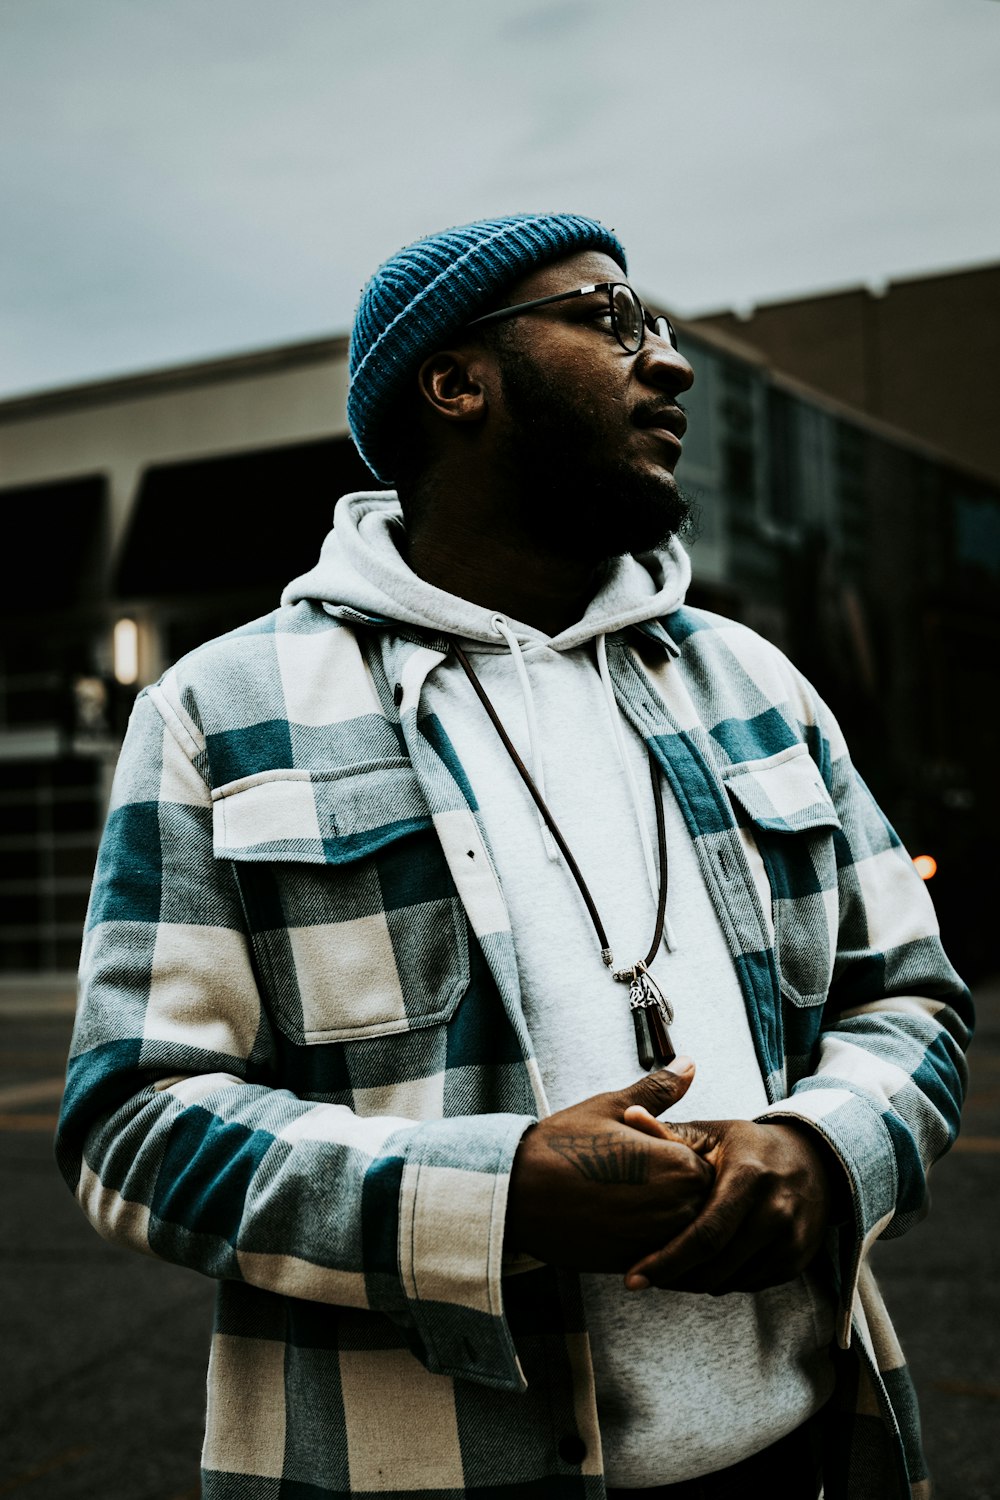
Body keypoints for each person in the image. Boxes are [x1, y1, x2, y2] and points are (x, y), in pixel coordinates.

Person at [56, 213, 971, 1500]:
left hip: (804, 1456)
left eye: (657, 327)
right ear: (455, 381)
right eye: (609, 320)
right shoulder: (226, 713)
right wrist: (491, 1197)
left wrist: (823, 1149)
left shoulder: (750, 683)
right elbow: (130, 1123)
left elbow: (912, 1002)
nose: (671, 363)